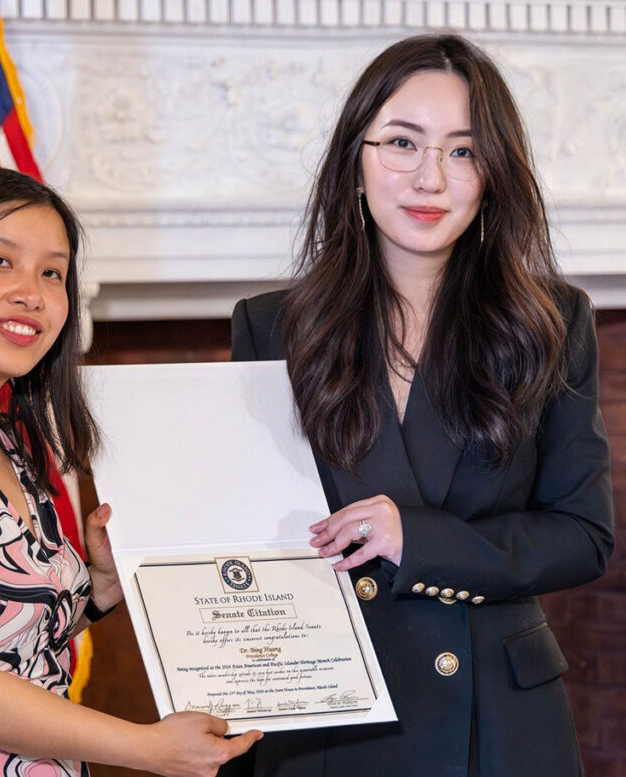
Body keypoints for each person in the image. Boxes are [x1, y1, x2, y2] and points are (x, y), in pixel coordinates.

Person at [225, 34, 614, 777]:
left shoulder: (552, 320)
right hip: (329, 715)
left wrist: (421, 539)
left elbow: (582, 535)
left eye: (464, 151)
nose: (430, 177)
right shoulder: (271, 326)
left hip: (498, 727)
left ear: (493, 174)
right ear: (356, 158)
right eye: (403, 142)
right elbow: (251, 538)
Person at [0, 166, 261, 776]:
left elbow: (10, 642)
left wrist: (101, 585)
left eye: (52, 272)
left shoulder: (0, 438)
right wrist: (149, 748)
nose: (32, 292)